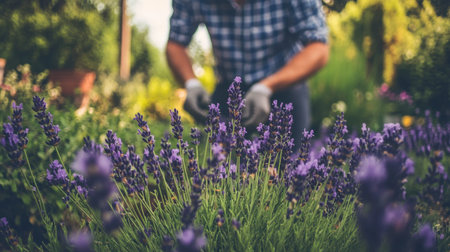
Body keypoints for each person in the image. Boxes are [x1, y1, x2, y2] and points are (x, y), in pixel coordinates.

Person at [166, 0, 329, 147]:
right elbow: (175, 43)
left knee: (288, 163)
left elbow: (318, 46)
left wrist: (266, 87)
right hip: (228, 90)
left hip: (285, 86)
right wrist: (191, 83)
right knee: (220, 166)